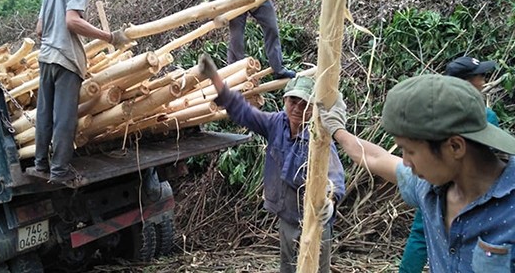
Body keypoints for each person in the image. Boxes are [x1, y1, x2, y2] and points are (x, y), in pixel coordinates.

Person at [320, 74, 515, 273]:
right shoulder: (430, 187)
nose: (405, 161)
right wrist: (337, 128)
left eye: (410, 151)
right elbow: (376, 158)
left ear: (455, 147)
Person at [198, 53, 345, 273]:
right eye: (293, 101)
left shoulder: (319, 137)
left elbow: (334, 176)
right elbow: (244, 112)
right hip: (287, 216)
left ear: (312, 107)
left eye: (304, 103)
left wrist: (330, 201)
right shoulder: (276, 123)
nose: (297, 108)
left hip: (315, 221)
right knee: (288, 267)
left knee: (315, 269)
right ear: (285, 100)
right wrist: (216, 81)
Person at [34, 0, 130, 186]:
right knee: (65, 117)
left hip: (46, 58)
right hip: (66, 59)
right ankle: (59, 170)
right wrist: (109, 37)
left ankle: (40, 164)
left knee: (45, 114)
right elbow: (72, 21)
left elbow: (39, 30)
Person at [399, 56, 500, 273]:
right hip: (453, 187)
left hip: (439, 183)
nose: (483, 81)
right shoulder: (485, 117)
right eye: (478, 77)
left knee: (423, 232)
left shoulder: (435, 114)